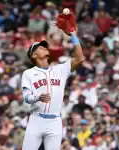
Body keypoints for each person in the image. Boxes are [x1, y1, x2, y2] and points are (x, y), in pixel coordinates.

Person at [21, 19, 85, 150]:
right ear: (34, 55)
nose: (45, 47)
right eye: (40, 47)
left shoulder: (60, 70)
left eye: (45, 46)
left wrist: (73, 35)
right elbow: (26, 97)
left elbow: (79, 58)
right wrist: (37, 97)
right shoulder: (28, 73)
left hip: (55, 121)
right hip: (36, 119)